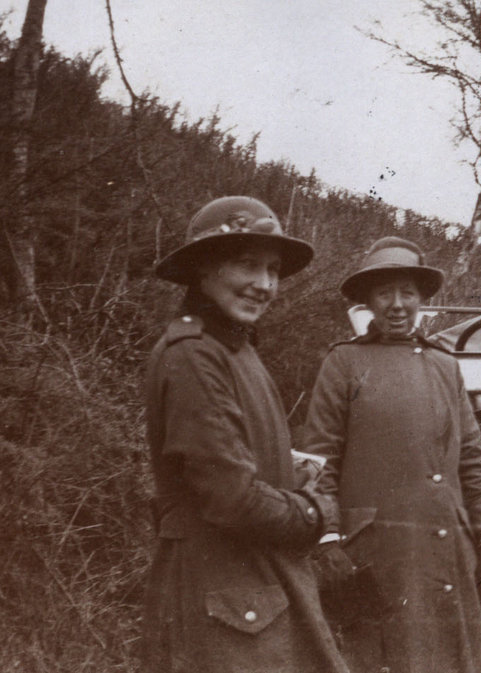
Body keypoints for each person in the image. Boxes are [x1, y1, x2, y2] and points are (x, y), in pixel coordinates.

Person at [141, 196, 348, 673]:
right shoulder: (194, 355)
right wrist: (317, 513)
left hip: (255, 592)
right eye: (247, 265)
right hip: (225, 604)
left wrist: (294, 473)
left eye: (273, 270)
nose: (265, 285)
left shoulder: (233, 348)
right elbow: (233, 499)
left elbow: (241, 461)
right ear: (203, 269)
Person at [301, 236, 481, 673]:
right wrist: (327, 537)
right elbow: (319, 463)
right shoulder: (344, 363)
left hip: (447, 552)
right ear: (368, 302)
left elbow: (472, 458)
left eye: (407, 292)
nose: (397, 304)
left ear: (421, 300)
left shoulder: (444, 365)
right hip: (379, 559)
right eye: (384, 292)